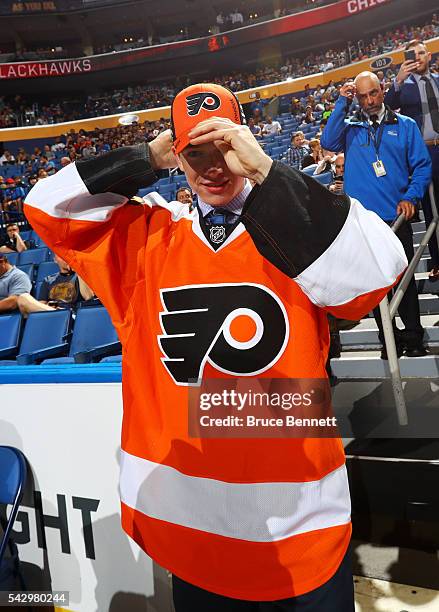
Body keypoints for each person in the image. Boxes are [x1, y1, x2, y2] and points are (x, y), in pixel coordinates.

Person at [25, 83, 407, 611]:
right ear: (176, 158)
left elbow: (375, 275)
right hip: (191, 529)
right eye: (194, 152)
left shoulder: (294, 220)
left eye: (223, 147)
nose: (213, 167)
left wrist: (267, 173)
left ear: (245, 141)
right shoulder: (147, 236)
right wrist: (144, 157)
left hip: (302, 522)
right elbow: (44, 207)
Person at [321, 70, 432, 358]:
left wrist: (411, 196)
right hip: (362, 224)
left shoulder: (406, 126)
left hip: (397, 220)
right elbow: (329, 142)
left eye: (373, 93)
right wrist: (341, 103)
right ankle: (389, 340)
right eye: (362, 96)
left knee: (403, 282)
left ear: (382, 90)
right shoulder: (350, 128)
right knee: (375, 287)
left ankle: (414, 337)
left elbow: (421, 166)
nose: (369, 100)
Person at [385, 39, 439, 281]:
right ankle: (438, 262)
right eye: (412, 54)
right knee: (431, 210)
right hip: (425, 153)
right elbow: (386, 107)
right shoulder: (403, 86)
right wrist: (397, 81)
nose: (417, 57)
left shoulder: (438, 81)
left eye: (421, 53)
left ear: (429, 56)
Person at [17, 254, 94, 315]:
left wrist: (78, 270)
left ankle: (61, 314)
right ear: (55, 260)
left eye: (67, 255)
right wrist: (50, 307)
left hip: (72, 314)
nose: (65, 258)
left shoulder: (80, 275)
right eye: (61, 256)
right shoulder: (48, 280)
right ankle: (57, 313)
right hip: (51, 314)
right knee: (23, 297)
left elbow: (89, 297)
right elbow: (40, 306)